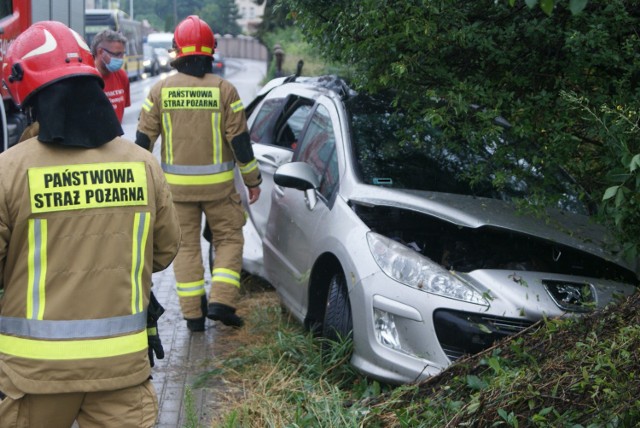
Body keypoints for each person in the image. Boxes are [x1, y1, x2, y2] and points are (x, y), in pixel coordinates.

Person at [0, 21, 181, 427]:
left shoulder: (8, 171)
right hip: (122, 374)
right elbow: (166, 251)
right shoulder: (142, 163)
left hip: (33, 377)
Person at [136, 15, 261, 331]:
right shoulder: (225, 90)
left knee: (186, 248)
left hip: (176, 192)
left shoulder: (159, 91)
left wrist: (141, 186)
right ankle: (221, 300)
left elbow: (142, 143)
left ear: (176, 51)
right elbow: (241, 143)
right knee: (230, 239)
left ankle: (193, 316)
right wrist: (253, 181)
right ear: (211, 51)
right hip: (219, 190)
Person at [91, 29, 131, 123]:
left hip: (116, 137)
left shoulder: (122, 76)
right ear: (100, 52)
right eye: (116, 54)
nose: (120, 59)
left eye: (122, 54)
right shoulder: (87, 79)